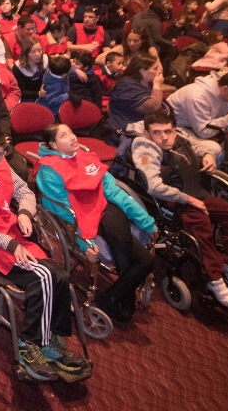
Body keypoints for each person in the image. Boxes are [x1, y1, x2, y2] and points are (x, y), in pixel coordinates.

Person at [0, 129, 88, 381]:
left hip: (12, 234)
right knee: (43, 278)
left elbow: (24, 191)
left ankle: (51, 341)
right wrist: (12, 245)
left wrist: (25, 212)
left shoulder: (2, 166)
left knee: (60, 276)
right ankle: (31, 344)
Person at [130, 111, 228, 308]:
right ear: (146, 134)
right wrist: (187, 199)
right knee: (201, 225)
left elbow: (197, 146)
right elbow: (154, 187)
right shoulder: (145, 149)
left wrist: (209, 155)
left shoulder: (180, 139)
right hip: (172, 200)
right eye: (157, 133)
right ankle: (215, 280)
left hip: (195, 192)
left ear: (175, 131)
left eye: (168, 131)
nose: (164, 137)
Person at [36, 123, 156, 324]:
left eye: (72, 131)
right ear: (54, 145)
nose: (73, 137)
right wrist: (86, 243)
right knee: (138, 257)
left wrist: (145, 221)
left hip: (105, 209)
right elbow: (66, 213)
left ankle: (110, 299)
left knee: (145, 259)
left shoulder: (85, 157)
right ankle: (119, 300)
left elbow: (114, 192)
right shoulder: (50, 170)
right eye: (64, 136)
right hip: (79, 217)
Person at [164, 71, 228, 162]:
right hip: (178, 129)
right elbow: (204, 132)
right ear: (226, 89)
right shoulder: (197, 97)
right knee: (214, 148)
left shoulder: (225, 94)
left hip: (199, 128)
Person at [107, 52, 166, 133]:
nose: (159, 71)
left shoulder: (147, 82)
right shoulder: (126, 85)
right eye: (155, 68)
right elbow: (151, 107)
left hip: (144, 127)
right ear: (142, 71)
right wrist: (157, 86)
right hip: (126, 131)